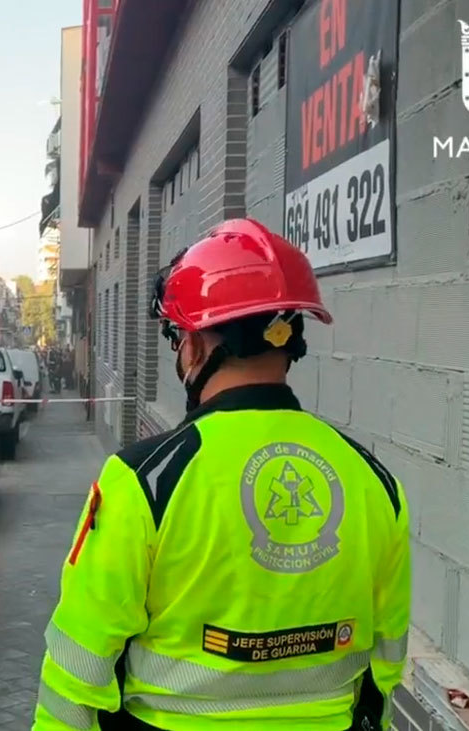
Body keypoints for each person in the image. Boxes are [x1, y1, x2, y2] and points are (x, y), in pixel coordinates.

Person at [33, 218, 411, 731]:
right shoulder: (376, 483)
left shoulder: (142, 481)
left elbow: (76, 671)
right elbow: (385, 665)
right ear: (288, 343)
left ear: (192, 348)